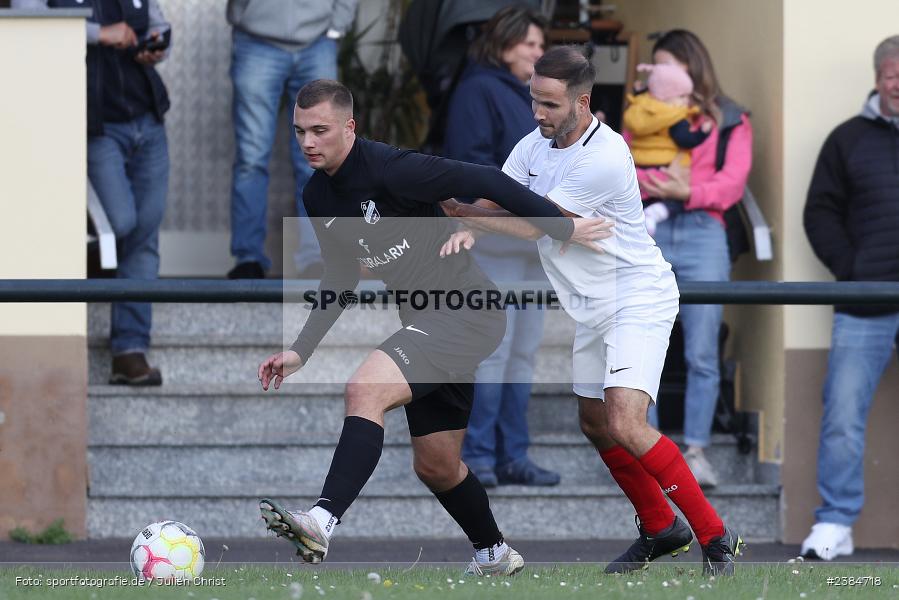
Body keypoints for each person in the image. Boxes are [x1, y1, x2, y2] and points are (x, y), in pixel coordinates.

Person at [255, 79, 610, 575]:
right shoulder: (317, 194)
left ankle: (320, 521)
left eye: (321, 130)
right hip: (427, 320)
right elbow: (341, 273)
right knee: (437, 465)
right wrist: (301, 350)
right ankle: (494, 554)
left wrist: (561, 227)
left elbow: (486, 178)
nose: (309, 142)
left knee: (365, 389)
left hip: (467, 311)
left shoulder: (391, 168)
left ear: (349, 127)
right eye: (300, 132)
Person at [440, 46, 742, 575]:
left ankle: (716, 538)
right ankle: (659, 527)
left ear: (583, 102)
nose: (538, 114)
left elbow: (542, 221)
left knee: (625, 420)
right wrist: (462, 213)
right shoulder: (534, 143)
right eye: (533, 100)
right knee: (595, 422)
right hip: (592, 306)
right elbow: (501, 197)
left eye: (550, 104)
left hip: (637, 297)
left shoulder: (604, 154)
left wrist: (468, 214)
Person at [14, 0, 172, 385]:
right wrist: (99, 34)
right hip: (96, 126)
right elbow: (25, 21)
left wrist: (158, 44)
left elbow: (157, 21)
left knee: (145, 236)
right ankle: (76, 269)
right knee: (121, 223)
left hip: (147, 118)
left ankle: (129, 349)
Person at [443, 6, 559, 487]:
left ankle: (515, 456)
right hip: (493, 243)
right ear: (505, 43)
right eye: (530, 44)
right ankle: (480, 458)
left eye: (540, 45)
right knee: (494, 351)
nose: (538, 52)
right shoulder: (477, 89)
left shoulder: (533, 96)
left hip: (534, 246)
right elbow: (471, 169)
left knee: (524, 354)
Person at [632, 30, 753, 488]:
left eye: (670, 64)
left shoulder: (729, 117)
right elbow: (622, 160)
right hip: (649, 224)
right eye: (657, 64)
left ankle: (697, 450)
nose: (662, 73)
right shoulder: (643, 111)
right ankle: (651, 449)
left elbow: (733, 182)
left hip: (705, 230)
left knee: (702, 350)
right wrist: (659, 186)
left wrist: (690, 192)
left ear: (691, 67)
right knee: (647, 345)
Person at [800, 35, 899, 561]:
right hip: (866, 299)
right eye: (891, 73)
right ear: (878, 76)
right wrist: (852, 269)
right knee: (841, 414)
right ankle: (835, 522)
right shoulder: (847, 139)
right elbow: (819, 212)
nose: (898, 82)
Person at [225, 0, 359, 279]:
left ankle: (315, 258)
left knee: (318, 159)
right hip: (256, 39)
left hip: (317, 42)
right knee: (251, 158)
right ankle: (248, 257)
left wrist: (336, 26)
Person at [623, 63, 713, 236]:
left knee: (643, 197)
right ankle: (654, 215)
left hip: (640, 165)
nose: (686, 101)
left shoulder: (638, 109)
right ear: (665, 97)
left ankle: (642, 216)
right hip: (665, 167)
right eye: (682, 96)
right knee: (676, 201)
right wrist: (702, 133)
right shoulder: (674, 117)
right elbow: (685, 140)